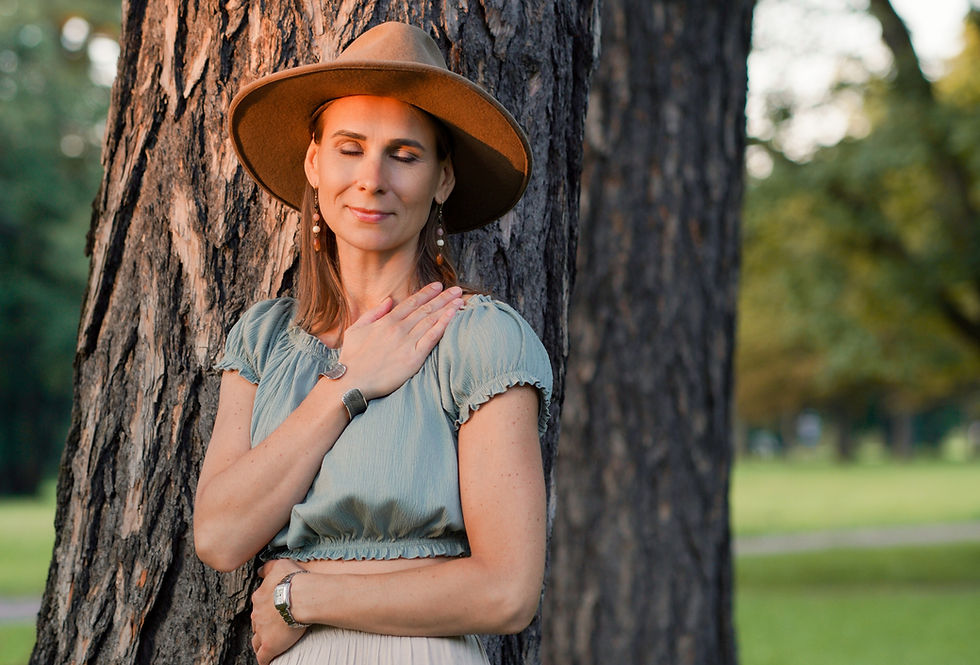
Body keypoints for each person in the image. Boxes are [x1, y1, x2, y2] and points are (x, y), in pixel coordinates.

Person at [193, 22, 553, 665]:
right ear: (314, 162)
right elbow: (220, 536)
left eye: (404, 155)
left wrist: (300, 597)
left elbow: (506, 592)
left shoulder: (479, 339)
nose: (373, 179)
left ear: (442, 179)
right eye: (350, 148)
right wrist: (346, 384)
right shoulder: (264, 337)